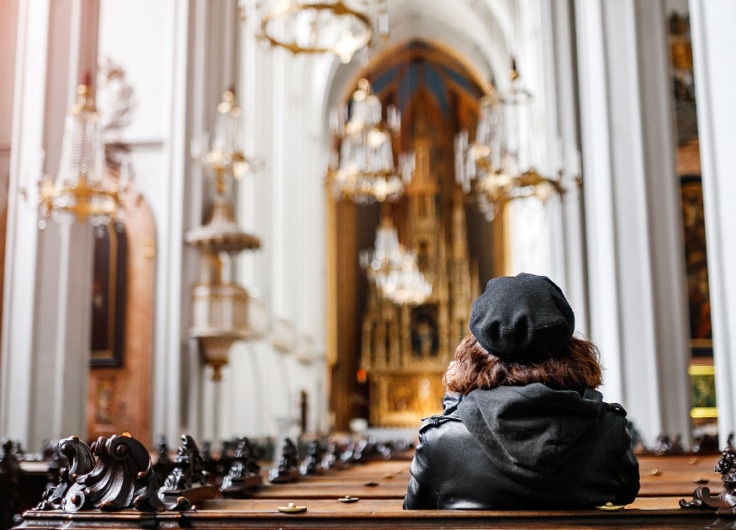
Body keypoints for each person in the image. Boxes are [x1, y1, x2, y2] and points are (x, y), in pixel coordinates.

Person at [403, 273, 640, 510]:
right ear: (571, 351)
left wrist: (455, 400)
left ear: (476, 353)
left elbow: (414, 511)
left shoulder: (441, 441)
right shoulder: (610, 431)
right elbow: (624, 492)